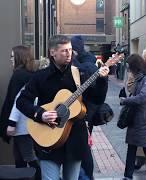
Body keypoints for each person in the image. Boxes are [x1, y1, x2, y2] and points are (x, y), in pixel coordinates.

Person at [16, 35, 110, 180]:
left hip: (75, 141)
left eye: (70, 50)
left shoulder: (80, 74)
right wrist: (40, 114)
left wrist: (103, 80)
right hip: (48, 138)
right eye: (64, 50)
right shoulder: (40, 77)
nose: (69, 54)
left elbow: (97, 99)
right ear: (52, 52)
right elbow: (22, 101)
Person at [71, 35, 109, 180]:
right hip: (78, 112)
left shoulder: (87, 65)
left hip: (84, 114)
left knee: (83, 150)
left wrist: (102, 80)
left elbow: (97, 94)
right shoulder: (81, 63)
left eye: (71, 50)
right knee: (82, 150)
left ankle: (87, 176)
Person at [0, 45, 41, 179]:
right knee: (20, 157)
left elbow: (16, 102)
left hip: (22, 126)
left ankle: (40, 177)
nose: (11, 59)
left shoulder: (19, 76)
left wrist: (11, 122)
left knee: (27, 157)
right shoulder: (29, 75)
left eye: (12, 56)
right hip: (26, 124)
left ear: (19, 57)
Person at [120, 54, 146, 180]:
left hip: (145, 119)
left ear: (135, 66)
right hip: (136, 118)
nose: (129, 70)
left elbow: (142, 97)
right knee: (131, 147)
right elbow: (132, 91)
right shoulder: (139, 77)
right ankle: (128, 175)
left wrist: (125, 101)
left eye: (129, 67)